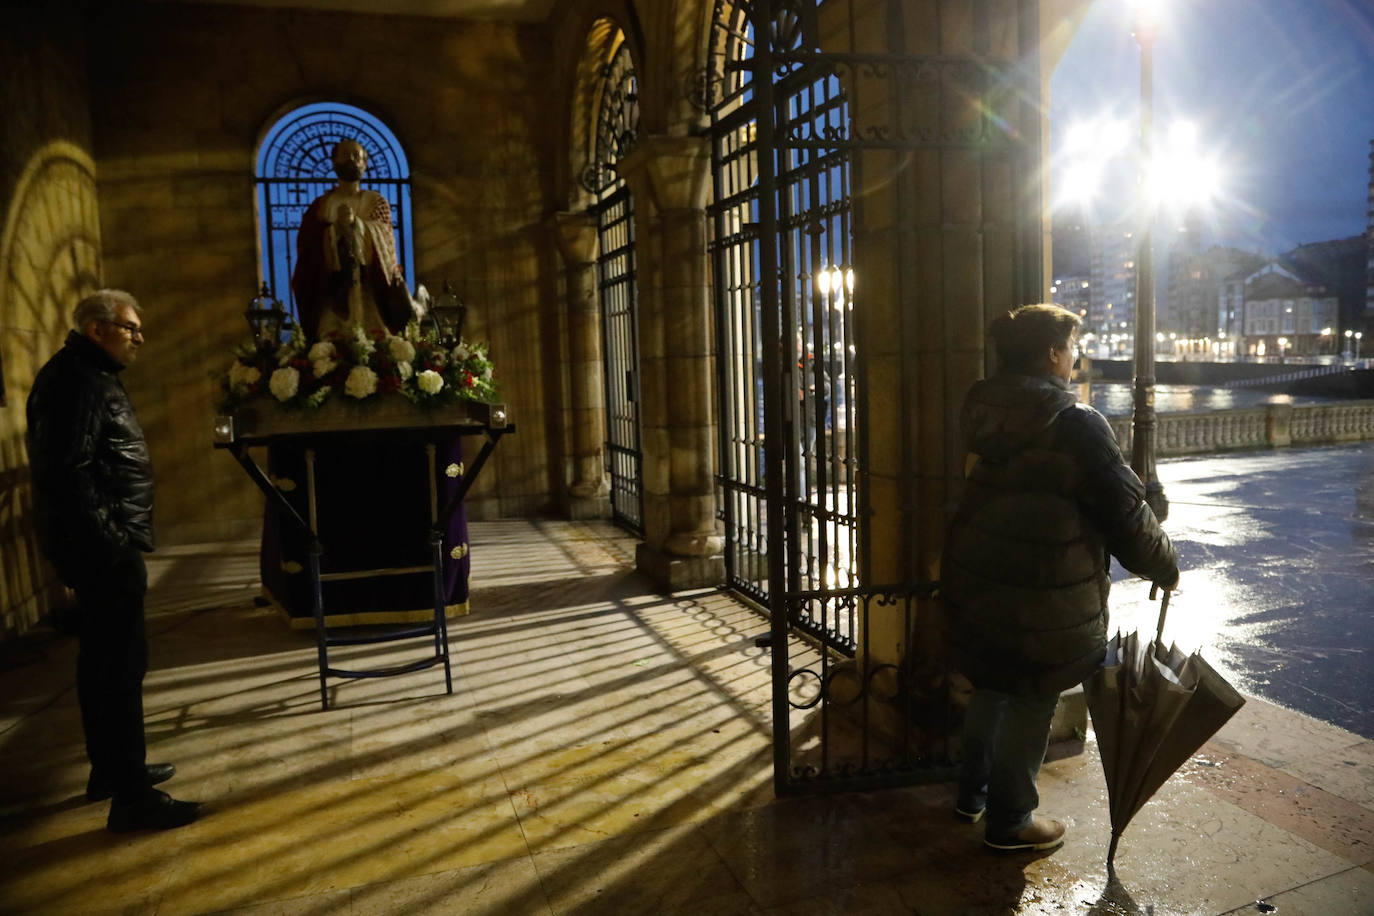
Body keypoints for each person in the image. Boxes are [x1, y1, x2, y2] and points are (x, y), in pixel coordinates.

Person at [940, 303, 1178, 853]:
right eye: (1072, 348)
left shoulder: (981, 407)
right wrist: (1165, 563)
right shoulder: (1076, 424)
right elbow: (1127, 517)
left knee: (992, 683)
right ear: (1052, 353)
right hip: (1042, 594)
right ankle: (1012, 820)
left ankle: (970, 795)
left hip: (978, 578)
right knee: (1033, 693)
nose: (1076, 359)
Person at [26, 289, 201, 833]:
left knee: (103, 662)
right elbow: (69, 473)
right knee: (121, 666)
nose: (139, 338)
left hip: (95, 545)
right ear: (97, 328)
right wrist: (114, 545)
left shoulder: (83, 372)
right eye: (130, 328)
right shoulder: (78, 380)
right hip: (101, 549)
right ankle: (132, 799)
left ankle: (112, 770)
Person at [291, 138, 416, 339]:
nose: (351, 159)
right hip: (333, 293)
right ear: (334, 161)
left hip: (370, 292)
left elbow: (384, 237)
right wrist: (333, 231)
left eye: (356, 156)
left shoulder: (375, 202)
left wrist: (355, 225)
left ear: (364, 164)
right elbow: (308, 247)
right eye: (345, 154)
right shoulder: (322, 205)